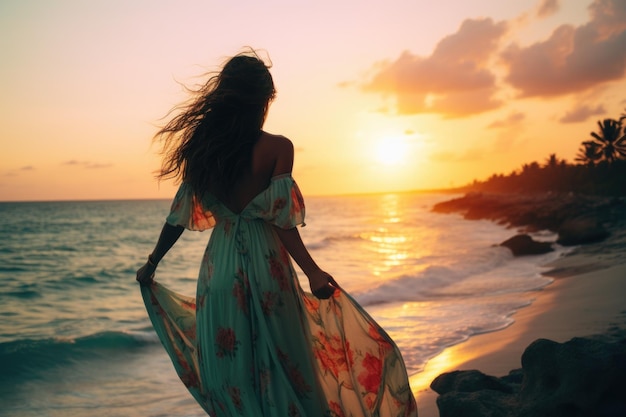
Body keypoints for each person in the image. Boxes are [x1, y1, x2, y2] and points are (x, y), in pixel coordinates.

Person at [136, 50, 418, 417]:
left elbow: (177, 219)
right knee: (287, 368)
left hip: (218, 273)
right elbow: (280, 221)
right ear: (262, 100)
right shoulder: (278, 148)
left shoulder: (203, 152)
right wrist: (312, 271)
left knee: (234, 373)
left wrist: (152, 263)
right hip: (268, 268)